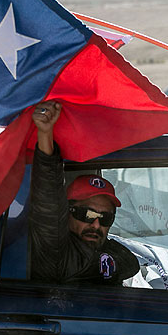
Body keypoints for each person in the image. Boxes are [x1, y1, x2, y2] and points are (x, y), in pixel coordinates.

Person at [28, 101, 139, 284]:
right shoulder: (54, 255)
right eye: (87, 214)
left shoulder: (106, 252)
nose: (96, 225)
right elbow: (47, 203)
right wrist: (45, 133)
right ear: (66, 214)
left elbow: (130, 261)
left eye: (105, 218)